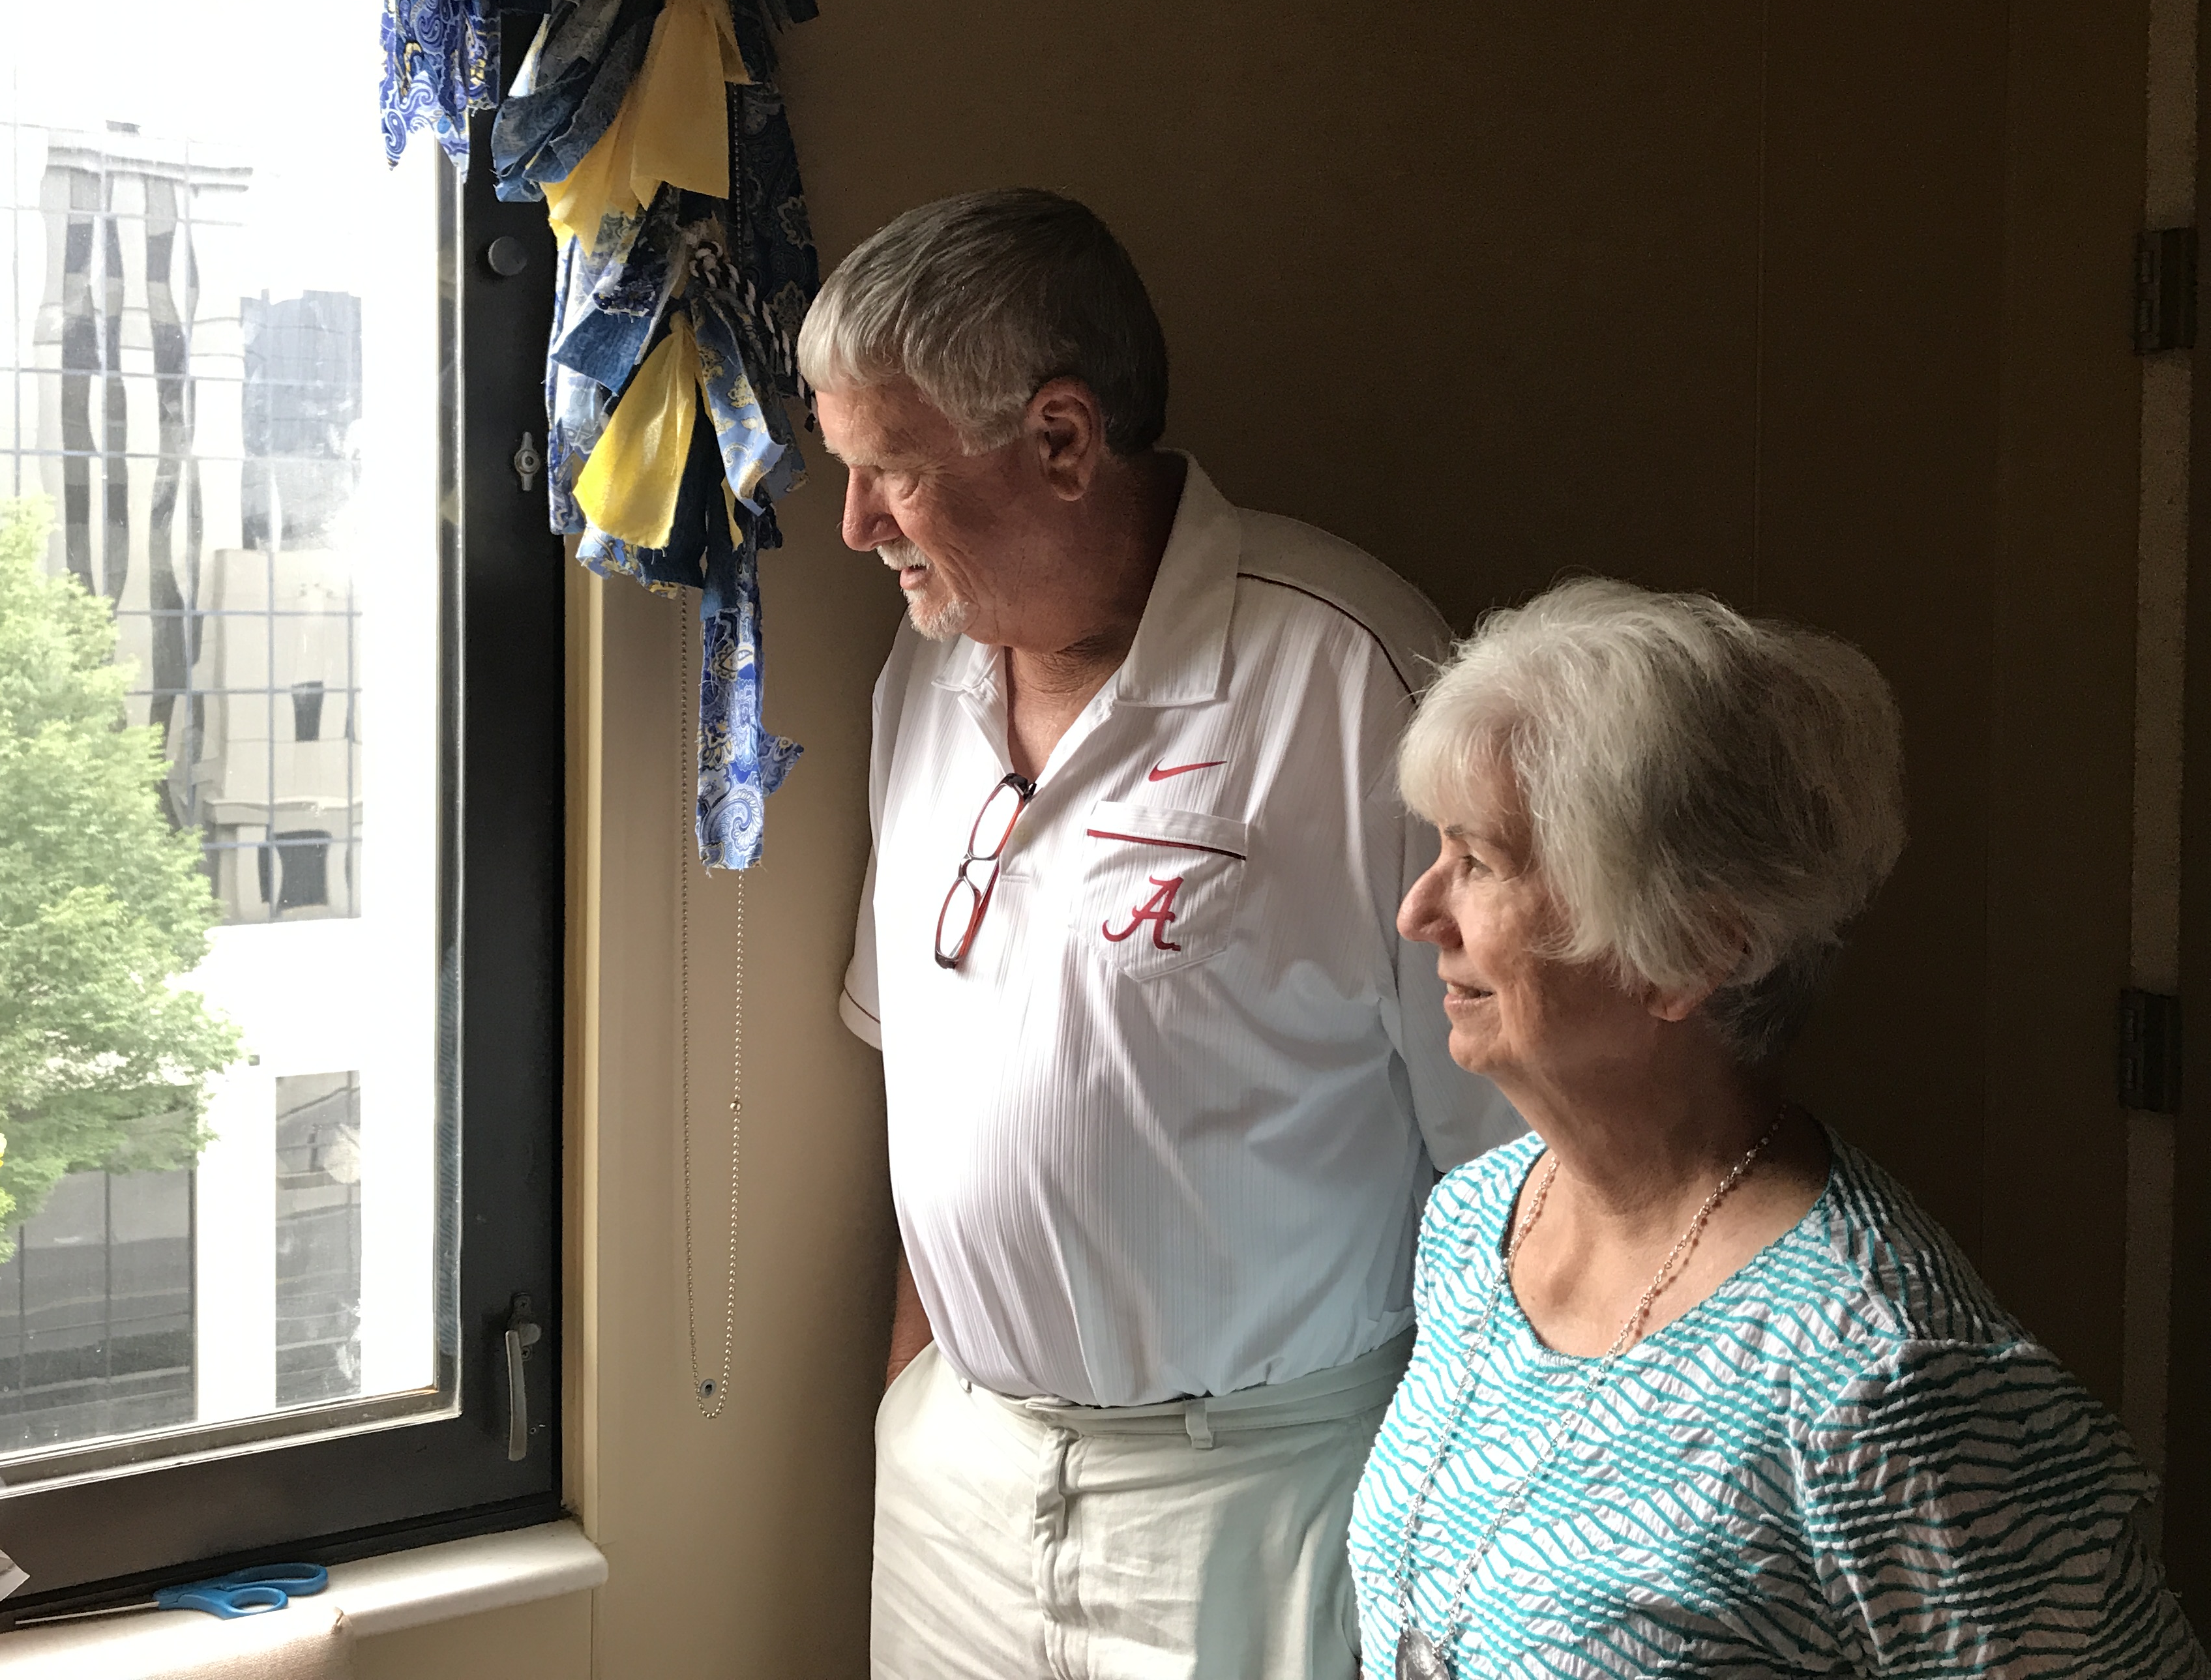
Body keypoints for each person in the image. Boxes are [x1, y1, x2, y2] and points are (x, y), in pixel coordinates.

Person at [805, 187, 1521, 1680]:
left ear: (1062, 441)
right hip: (960, 1485)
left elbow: (1517, 1164)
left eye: (894, 473)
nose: (857, 525)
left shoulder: (1353, 679)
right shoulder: (924, 678)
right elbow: (929, 1092)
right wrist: (913, 1406)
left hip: (1257, 1497)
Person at [1350, 578, 2210, 1679]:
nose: (1419, 911)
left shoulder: (1879, 1374)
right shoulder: (1476, 1225)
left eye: (1479, 862)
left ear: (1687, 954)